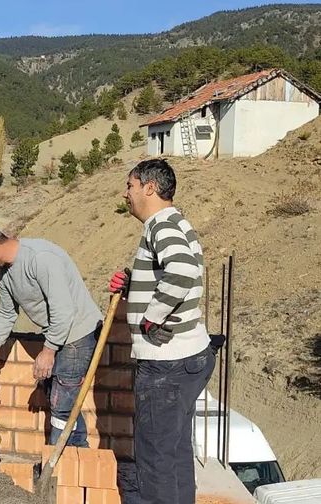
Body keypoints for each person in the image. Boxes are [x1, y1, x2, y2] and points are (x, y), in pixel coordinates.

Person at [108, 159, 214, 504]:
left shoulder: (160, 225)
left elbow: (181, 270)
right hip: (186, 357)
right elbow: (173, 270)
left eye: (130, 186)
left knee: (155, 462)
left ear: (149, 188)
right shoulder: (177, 222)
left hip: (166, 363)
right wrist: (134, 283)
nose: (127, 194)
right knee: (175, 455)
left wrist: (151, 318)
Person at [0, 221, 103, 447]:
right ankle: (78, 459)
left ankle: (62, 466)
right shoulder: (5, 272)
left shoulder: (40, 257)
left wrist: (48, 351)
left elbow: (63, 310)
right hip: (59, 335)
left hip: (77, 334)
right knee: (59, 401)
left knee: (62, 404)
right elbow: (6, 312)